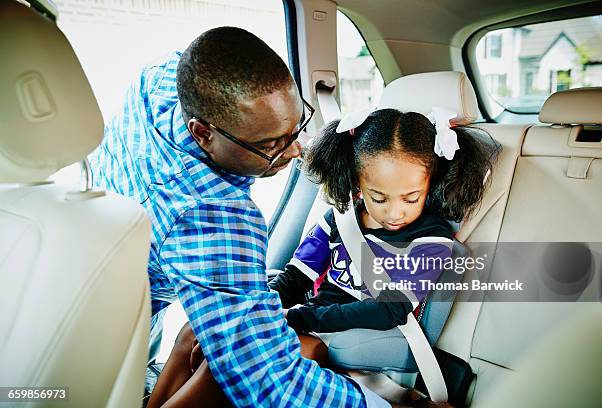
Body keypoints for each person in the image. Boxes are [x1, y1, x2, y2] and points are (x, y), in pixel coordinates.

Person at [89, 26, 394, 408]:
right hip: (104, 342)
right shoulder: (212, 217)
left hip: (105, 288)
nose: (296, 150)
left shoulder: (166, 79)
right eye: (270, 145)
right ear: (202, 133)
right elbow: (268, 383)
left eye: (296, 125)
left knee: (196, 338)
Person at [145, 109, 496, 407]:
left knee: (243, 357)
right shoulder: (339, 220)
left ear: (430, 184)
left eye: (410, 197)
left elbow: (390, 308)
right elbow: (296, 276)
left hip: (370, 328)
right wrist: (261, 310)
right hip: (315, 317)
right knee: (198, 331)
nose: (395, 212)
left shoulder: (430, 239)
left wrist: (299, 317)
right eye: (379, 196)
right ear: (357, 183)